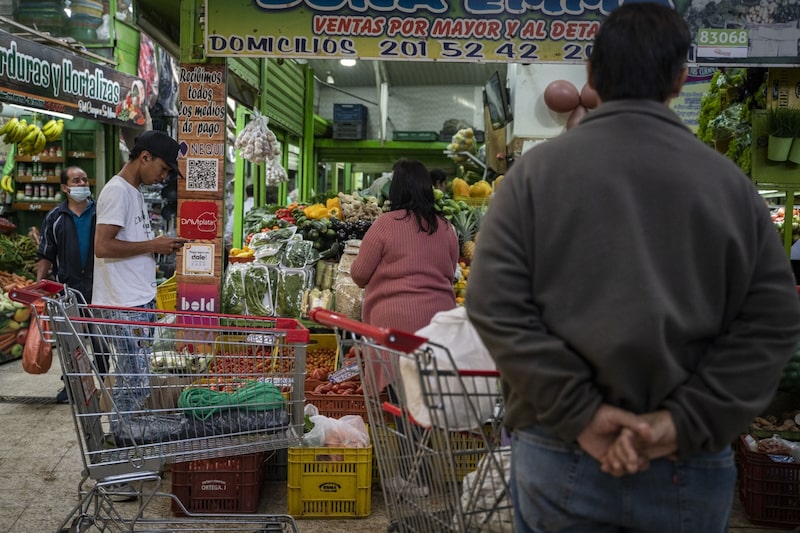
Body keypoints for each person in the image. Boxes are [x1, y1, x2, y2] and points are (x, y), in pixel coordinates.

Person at [465, 4, 800, 532]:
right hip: (687, 462)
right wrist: (682, 422)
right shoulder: (729, 186)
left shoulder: (535, 178)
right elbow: (774, 320)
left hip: (560, 454)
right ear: (679, 77)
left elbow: (493, 304)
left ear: (592, 75)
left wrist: (583, 415)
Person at [93, 129, 185, 502]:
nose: (164, 177)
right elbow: (103, 246)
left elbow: (123, 245)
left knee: (137, 386)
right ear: (144, 157)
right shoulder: (117, 191)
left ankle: (125, 461)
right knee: (131, 389)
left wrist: (154, 256)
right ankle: (115, 472)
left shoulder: (133, 193)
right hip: (122, 306)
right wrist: (155, 244)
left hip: (136, 302)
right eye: (163, 168)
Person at [350, 158, 459, 392]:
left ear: (396, 189)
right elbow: (450, 274)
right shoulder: (446, 227)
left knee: (401, 401)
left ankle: (406, 424)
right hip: (438, 327)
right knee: (430, 400)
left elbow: (359, 275)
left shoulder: (385, 224)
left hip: (393, 329)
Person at [37, 166, 96, 403]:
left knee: (100, 337)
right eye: (76, 180)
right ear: (65, 187)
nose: (82, 184)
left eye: (84, 179)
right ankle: (71, 386)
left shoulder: (100, 212)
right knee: (72, 341)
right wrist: (40, 283)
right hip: (68, 289)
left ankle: (101, 379)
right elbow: (46, 253)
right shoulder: (55, 218)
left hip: (98, 286)